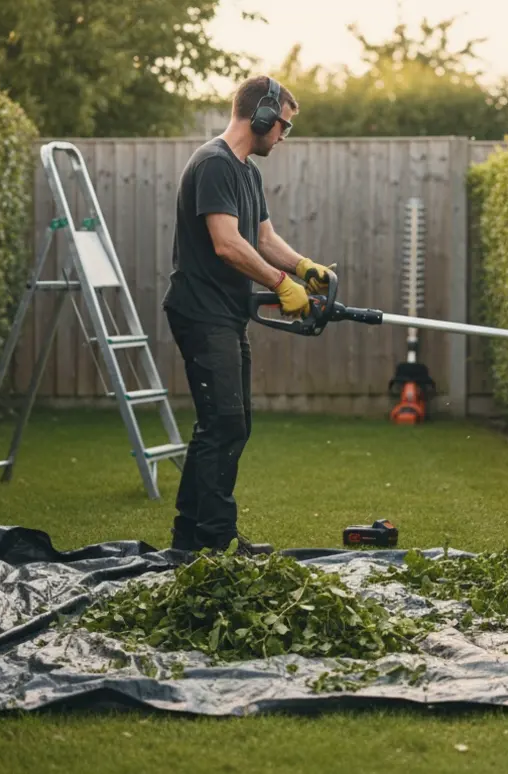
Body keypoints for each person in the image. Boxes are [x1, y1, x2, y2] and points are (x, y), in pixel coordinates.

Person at [161, 75, 334, 555]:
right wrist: (281, 285)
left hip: (225, 313)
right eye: (282, 126)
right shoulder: (213, 163)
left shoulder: (246, 172)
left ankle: (188, 538)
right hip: (200, 311)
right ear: (260, 116)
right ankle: (215, 543)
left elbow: (262, 239)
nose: (283, 136)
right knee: (225, 424)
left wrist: (303, 267)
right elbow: (226, 243)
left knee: (226, 423)